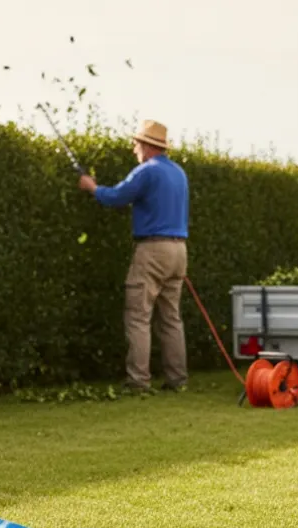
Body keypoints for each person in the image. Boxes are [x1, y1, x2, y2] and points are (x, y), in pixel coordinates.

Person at [78, 119, 189, 393]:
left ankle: (138, 381)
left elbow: (116, 196)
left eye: (136, 144)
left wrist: (92, 188)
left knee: (138, 315)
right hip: (179, 251)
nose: (134, 149)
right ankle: (178, 380)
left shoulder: (147, 171)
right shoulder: (179, 173)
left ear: (148, 146)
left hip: (152, 250)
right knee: (171, 318)